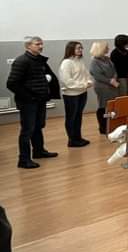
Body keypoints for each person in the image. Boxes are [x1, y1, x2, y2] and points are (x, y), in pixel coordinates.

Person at [6, 36, 60, 169]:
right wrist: (29, 97)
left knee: (38, 127)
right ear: (28, 46)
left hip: (39, 100)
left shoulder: (39, 60)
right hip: (28, 102)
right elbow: (12, 83)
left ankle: (39, 151)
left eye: (41, 44)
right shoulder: (22, 61)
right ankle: (24, 159)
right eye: (37, 44)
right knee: (27, 130)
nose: (41, 46)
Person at [58, 41, 92, 147]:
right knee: (71, 118)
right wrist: (84, 85)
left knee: (78, 116)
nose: (80, 50)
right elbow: (67, 81)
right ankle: (72, 140)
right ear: (71, 49)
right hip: (71, 95)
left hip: (82, 92)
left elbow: (86, 74)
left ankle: (78, 138)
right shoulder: (66, 63)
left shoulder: (79, 61)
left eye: (81, 48)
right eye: (78, 48)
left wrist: (89, 82)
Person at [89, 41, 119, 134]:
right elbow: (97, 75)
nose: (108, 49)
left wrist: (114, 78)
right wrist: (110, 81)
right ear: (100, 49)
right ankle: (103, 127)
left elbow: (114, 70)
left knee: (111, 106)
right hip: (102, 86)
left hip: (112, 85)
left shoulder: (107, 58)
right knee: (103, 106)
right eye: (106, 47)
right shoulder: (94, 61)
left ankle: (111, 125)